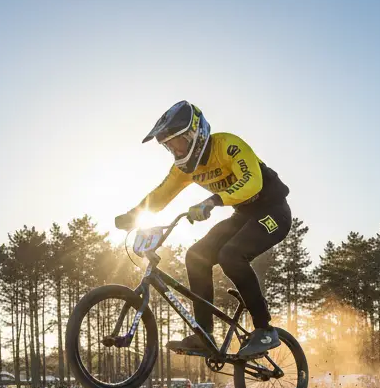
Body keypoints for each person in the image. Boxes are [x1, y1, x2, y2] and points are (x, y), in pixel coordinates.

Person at [115, 101, 292, 360]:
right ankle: (205, 334)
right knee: (195, 256)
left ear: (195, 135)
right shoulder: (184, 169)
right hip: (243, 215)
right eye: (168, 146)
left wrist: (213, 200)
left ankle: (265, 330)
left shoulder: (228, 145)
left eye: (177, 143)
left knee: (230, 255)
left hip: (274, 212)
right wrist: (133, 215)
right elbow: (161, 194)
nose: (174, 150)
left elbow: (252, 182)